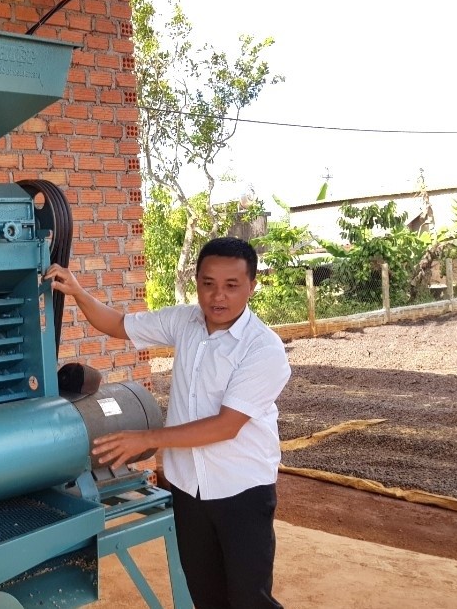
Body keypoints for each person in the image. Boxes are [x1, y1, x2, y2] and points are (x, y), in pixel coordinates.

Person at [44, 236, 290, 609]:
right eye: (208, 283)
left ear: (252, 286)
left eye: (231, 285)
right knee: (204, 595)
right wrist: (78, 291)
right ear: (197, 282)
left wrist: (147, 438)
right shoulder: (185, 321)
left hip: (241, 490)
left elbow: (225, 425)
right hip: (188, 488)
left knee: (248, 599)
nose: (218, 296)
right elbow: (118, 324)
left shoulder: (262, 348)